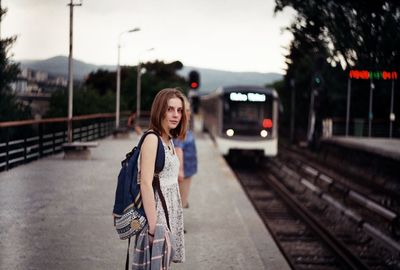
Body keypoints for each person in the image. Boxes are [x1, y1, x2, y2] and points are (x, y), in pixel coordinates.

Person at [132, 88, 187, 269]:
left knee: (162, 264)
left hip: (169, 209)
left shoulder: (168, 139)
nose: (176, 115)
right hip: (157, 211)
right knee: (154, 265)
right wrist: (153, 227)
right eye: (170, 109)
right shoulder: (152, 139)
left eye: (179, 110)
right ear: (160, 109)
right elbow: (146, 183)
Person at [173, 96, 197, 209]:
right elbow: (178, 150)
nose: (189, 113)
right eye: (186, 111)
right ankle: (177, 226)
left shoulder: (184, 128)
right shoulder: (180, 130)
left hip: (188, 171)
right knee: (180, 202)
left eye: (189, 110)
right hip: (184, 173)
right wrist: (180, 171)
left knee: (182, 200)